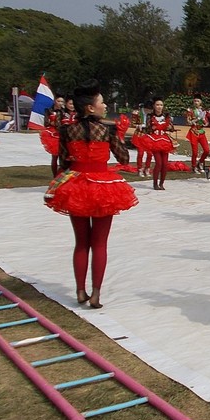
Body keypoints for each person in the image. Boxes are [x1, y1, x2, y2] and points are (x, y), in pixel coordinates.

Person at [43, 83, 138, 308]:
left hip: (76, 186)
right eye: (102, 102)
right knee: (100, 244)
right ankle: (95, 293)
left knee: (81, 243)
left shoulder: (67, 130)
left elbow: (64, 160)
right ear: (90, 108)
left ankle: (80, 290)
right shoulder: (107, 130)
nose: (105, 106)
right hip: (103, 187)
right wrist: (119, 134)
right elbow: (124, 159)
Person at [142, 96, 175, 190]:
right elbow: (147, 129)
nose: (159, 107)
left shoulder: (166, 116)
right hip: (155, 141)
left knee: (165, 164)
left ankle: (162, 183)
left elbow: (171, 128)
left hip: (164, 141)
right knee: (159, 163)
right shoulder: (150, 116)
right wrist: (152, 128)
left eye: (161, 105)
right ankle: (155, 183)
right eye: (157, 105)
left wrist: (169, 127)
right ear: (154, 106)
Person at [40, 95, 65, 177]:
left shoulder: (64, 112)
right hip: (52, 133)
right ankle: (55, 175)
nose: (60, 103)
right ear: (55, 101)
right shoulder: (48, 110)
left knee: (63, 157)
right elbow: (46, 122)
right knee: (55, 156)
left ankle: (61, 175)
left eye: (62, 101)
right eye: (59, 101)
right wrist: (52, 123)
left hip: (62, 132)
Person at [186, 95, 210, 174]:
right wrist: (197, 119)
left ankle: (200, 162)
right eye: (195, 101)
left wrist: (204, 120)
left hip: (201, 132)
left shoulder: (204, 111)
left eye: (198, 101)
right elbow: (188, 122)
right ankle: (194, 167)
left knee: (207, 150)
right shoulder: (191, 111)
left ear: (201, 102)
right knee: (195, 152)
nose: (196, 102)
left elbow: (207, 123)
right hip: (194, 132)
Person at [130, 102, 153, 177]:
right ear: (145, 108)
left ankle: (147, 168)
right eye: (149, 110)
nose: (150, 111)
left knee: (150, 153)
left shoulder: (151, 114)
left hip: (148, 135)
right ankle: (139, 169)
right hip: (140, 135)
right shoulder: (137, 113)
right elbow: (132, 123)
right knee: (140, 153)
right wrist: (138, 125)